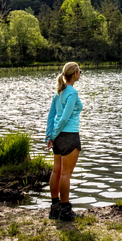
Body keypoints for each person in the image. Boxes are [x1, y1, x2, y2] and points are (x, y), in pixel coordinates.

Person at [45, 61, 83, 221]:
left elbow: (51, 116)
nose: (80, 73)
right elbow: (65, 117)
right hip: (69, 136)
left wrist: (49, 136)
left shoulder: (58, 92)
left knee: (56, 171)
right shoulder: (72, 93)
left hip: (59, 137)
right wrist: (52, 135)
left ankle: (55, 207)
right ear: (74, 74)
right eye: (79, 71)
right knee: (65, 174)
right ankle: (65, 210)